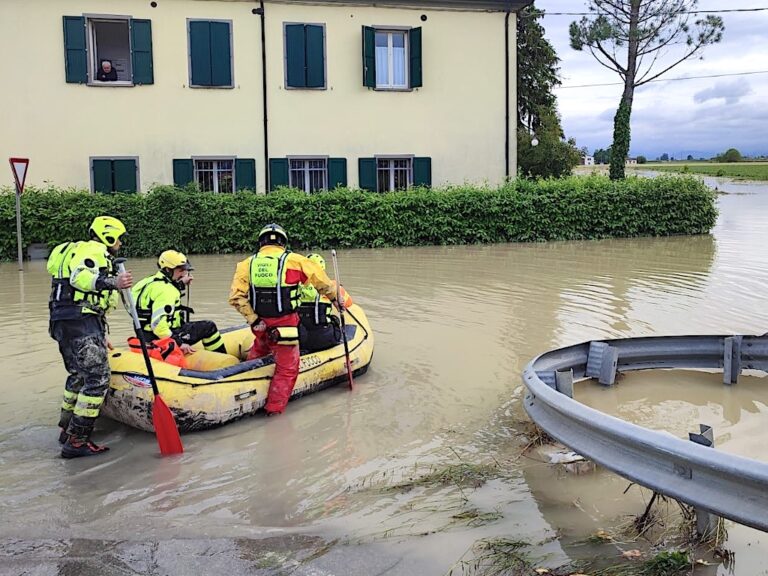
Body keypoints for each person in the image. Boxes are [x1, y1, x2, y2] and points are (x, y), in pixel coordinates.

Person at [228, 224, 337, 415]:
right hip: (285, 326)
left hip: (260, 325)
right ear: (283, 242)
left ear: (261, 242)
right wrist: (337, 300)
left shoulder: (246, 264)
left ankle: (242, 386)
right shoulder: (295, 261)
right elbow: (323, 284)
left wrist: (254, 320)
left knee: (259, 348)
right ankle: (274, 410)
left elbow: (236, 298)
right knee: (287, 368)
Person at [47, 216, 132, 458]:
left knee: (77, 374)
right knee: (97, 379)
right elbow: (80, 278)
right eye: (118, 238)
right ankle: (77, 440)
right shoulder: (94, 251)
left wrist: (100, 333)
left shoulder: (75, 250)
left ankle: (66, 429)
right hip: (81, 323)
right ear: (108, 236)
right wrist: (114, 281)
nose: (120, 244)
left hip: (63, 321)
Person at [132, 250, 226, 358]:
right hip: (161, 336)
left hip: (144, 335)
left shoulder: (148, 282)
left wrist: (181, 283)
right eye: (181, 270)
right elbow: (158, 326)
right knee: (209, 326)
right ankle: (222, 360)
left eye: (185, 270)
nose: (184, 273)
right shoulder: (166, 290)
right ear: (168, 269)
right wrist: (179, 343)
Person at [298, 253, 353, 353]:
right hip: (325, 339)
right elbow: (349, 304)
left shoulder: (295, 287)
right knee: (335, 320)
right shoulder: (332, 286)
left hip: (301, 340)